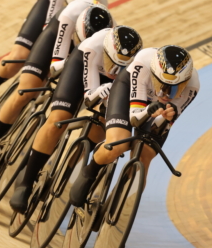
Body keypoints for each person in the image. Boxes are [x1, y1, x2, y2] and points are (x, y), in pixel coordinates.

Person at [0, 2, 114, 179]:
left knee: (63, 120)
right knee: (27, 90)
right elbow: (54, 69)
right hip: (59, 41)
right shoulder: (68, 19)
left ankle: (38, 166)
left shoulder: (108, 40)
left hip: (92, 60)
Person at [9, 25, 143, 213]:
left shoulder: (135, 66)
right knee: (58, 119)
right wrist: (98, 92)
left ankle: (69, 172)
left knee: (104, 126)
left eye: (120, 65)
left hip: (113, 83)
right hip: (83, 68)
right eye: (112, 62)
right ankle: (26, 182)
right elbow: (89, 96)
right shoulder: (92, 46)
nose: (113, 69)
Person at [69, 45, 200, 207]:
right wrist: (148, 111)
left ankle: (116, 208)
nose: (165, 93)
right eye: (162, 85)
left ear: (185, 82)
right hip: (129, 91)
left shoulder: (192, 86)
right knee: (118, 145)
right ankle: (90, 171)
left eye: (174, 89)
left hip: (155, 109)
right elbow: (134, 119)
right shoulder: (143, 63)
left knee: (144, 159)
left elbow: (159, 128)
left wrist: (166, 116)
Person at [0, 0, 108, 120]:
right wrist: (41, 61)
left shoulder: (101, 12)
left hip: (79, 31)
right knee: (19, 56)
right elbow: (47, 28)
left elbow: (86, 47)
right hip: (56, 22)